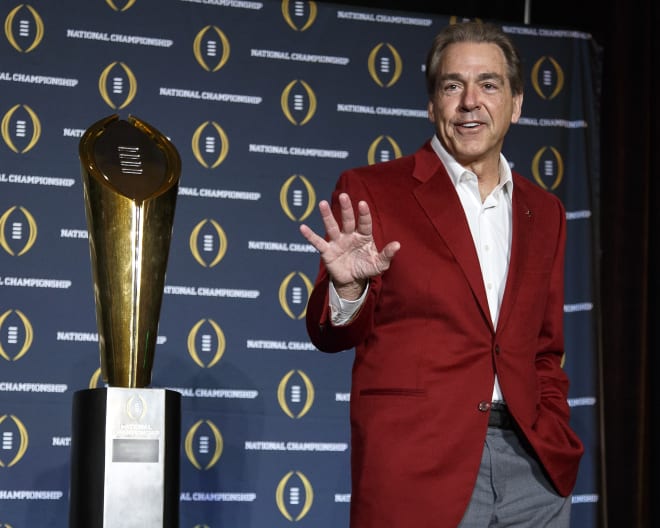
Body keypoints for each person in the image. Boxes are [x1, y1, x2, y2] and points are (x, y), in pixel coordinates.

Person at [299, 20, 584, 528]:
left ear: (516, 104)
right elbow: (329, 332)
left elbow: (545, 348)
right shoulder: (373, 191)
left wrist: (553, 436)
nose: (470, 101)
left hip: (534, 470)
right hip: (419, 468)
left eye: (489, 84)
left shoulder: (546, 211)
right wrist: (348, 287)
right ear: (433, 106)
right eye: (453, 85)